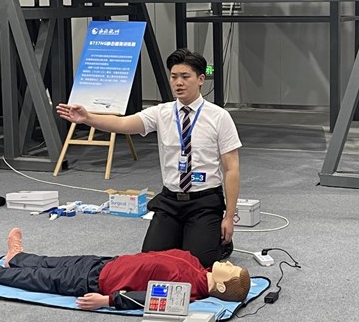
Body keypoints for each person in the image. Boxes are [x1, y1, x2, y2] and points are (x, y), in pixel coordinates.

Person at [56, 48, 241, 267]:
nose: (178, 83)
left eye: (185, 76)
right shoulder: (161, 113)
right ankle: (188, 236)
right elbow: (123, 123)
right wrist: (88, 118)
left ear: (200, 79)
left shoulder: (219, 117)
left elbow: (231, 168)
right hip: (170, 201)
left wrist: (228, 217)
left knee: (199, 264)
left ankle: (215, 241)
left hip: (205, 201)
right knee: (149, 262)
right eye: (174, 77)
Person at [0, 228, 251, 311]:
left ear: (221, 286)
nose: (229, 263)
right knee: (55, 261)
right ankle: (17, 257)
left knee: (42, 278)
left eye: (230, 270)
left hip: (98, 282)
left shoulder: (186, 292)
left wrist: (108, 301)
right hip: (109, 263)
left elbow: (145, 298)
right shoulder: (198, 267)